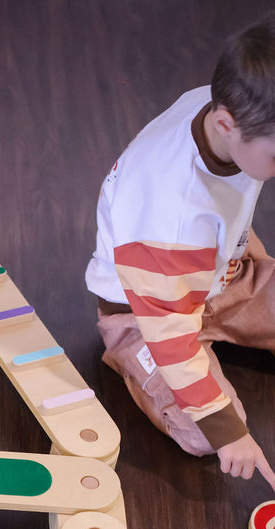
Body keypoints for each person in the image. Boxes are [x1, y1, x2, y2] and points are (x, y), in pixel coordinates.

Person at [86, 13, 275, 492]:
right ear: (227, 123)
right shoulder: (169, 218)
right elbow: (171, 331)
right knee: (205, 433)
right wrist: (230, 433)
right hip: (146, 309)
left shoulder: (225, 104)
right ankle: (131, 356)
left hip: (221, 269)